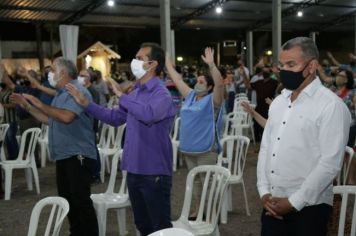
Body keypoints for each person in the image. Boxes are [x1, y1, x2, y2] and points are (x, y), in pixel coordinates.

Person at [66, 42, 176, 236]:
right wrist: (86, 104)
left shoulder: (162, 93)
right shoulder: (136, 92)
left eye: (140, 58)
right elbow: (115, 117)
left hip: (154, 171)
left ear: (152, 64)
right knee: (143, 225)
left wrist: (122, 96)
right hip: (133, 169)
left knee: (161, 229)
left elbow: (148, 115)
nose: (134, 61)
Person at [257, 37, 351, 236]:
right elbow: (266, 147)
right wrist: (264, 190)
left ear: (312, 66)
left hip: (309, 209)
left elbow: (330, 163)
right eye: (281, 65)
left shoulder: (331, 106)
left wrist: (293, 202)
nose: (284, 70)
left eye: (291, 64)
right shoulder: (279, 102)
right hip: (272, 203)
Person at [10, 58, 99, 236]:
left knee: (81, 202)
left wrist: (39, 103)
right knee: (69, 201)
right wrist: (27, 106)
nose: (49, 73)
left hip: (77, 154)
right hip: (64, 155)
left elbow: (66, 117)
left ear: (63, 73)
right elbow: (50, 120)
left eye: (52, 70)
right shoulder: (61, 93)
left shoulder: (77, 90)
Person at [165, 47, 224, 218]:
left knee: (208, 182)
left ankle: (212, 213)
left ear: (210, 86)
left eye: (202, 82)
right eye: (197, 81)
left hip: (206, 149)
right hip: (189, 149)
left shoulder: (213, 100)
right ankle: (198, 209)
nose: (198, 83)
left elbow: (220, 84)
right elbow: (176, 79)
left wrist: (212, 65)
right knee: (196, 182)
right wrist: (167, 60)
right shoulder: (190, 96)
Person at [243, 66, 278, 141]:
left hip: (269, 107)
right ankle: (256, 139)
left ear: (270, 73)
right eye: (264, 71)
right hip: (259, 106)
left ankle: (266, 139)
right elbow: (248, 86)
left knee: (266, 124)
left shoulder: (274, 82)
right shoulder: (259, 82)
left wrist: (277, 72)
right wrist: (244, 75)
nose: (265, 73)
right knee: (256, 124)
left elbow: (281, 85)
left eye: (267, 71)